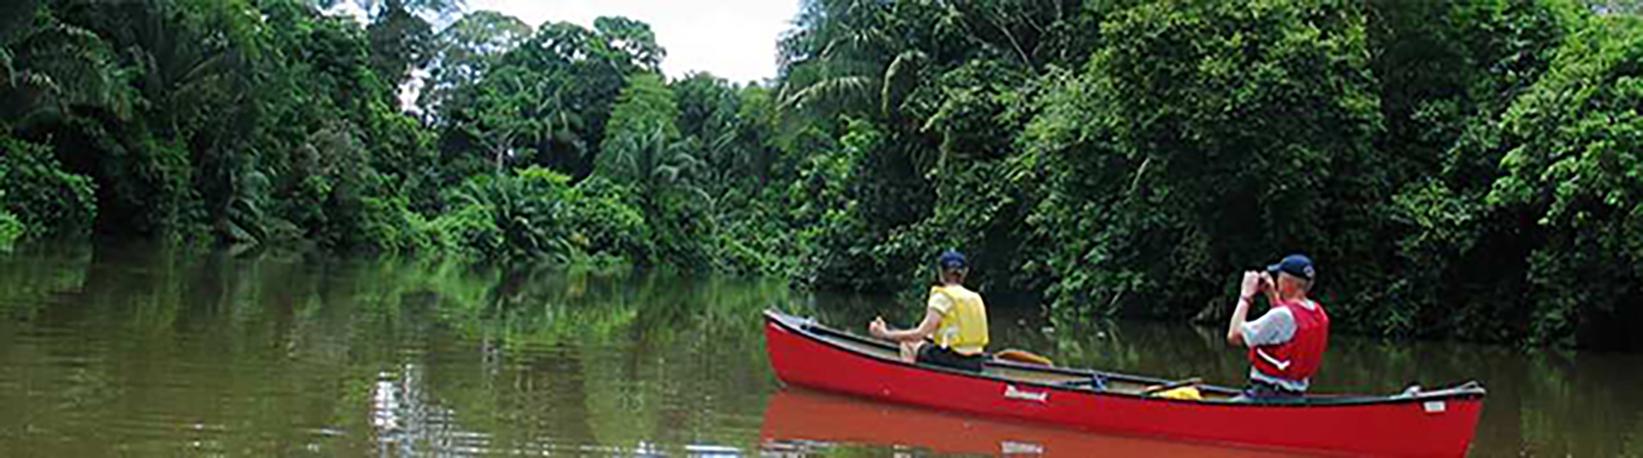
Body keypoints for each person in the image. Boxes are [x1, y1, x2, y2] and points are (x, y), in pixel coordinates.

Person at [1226, 254, 1329, 399]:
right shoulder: (1317, 313)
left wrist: (1245, 297)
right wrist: (1271, 293)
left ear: (1287, 281)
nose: (1277, 280)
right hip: (1295, 396)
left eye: (1279, 276)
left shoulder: (1283, 316)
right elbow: (1286, 328)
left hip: (1266, 395)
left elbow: (1234, 336)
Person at [869, 250, 990, 372]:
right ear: (965, 273)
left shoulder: (942, 297)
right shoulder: (975, 297)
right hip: (976, 361)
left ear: (940, 272)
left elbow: (919, 334)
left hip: (954, 359)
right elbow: (936, 333)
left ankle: (911, 383)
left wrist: (885, 334)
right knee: (923, 344)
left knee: (907, 343)